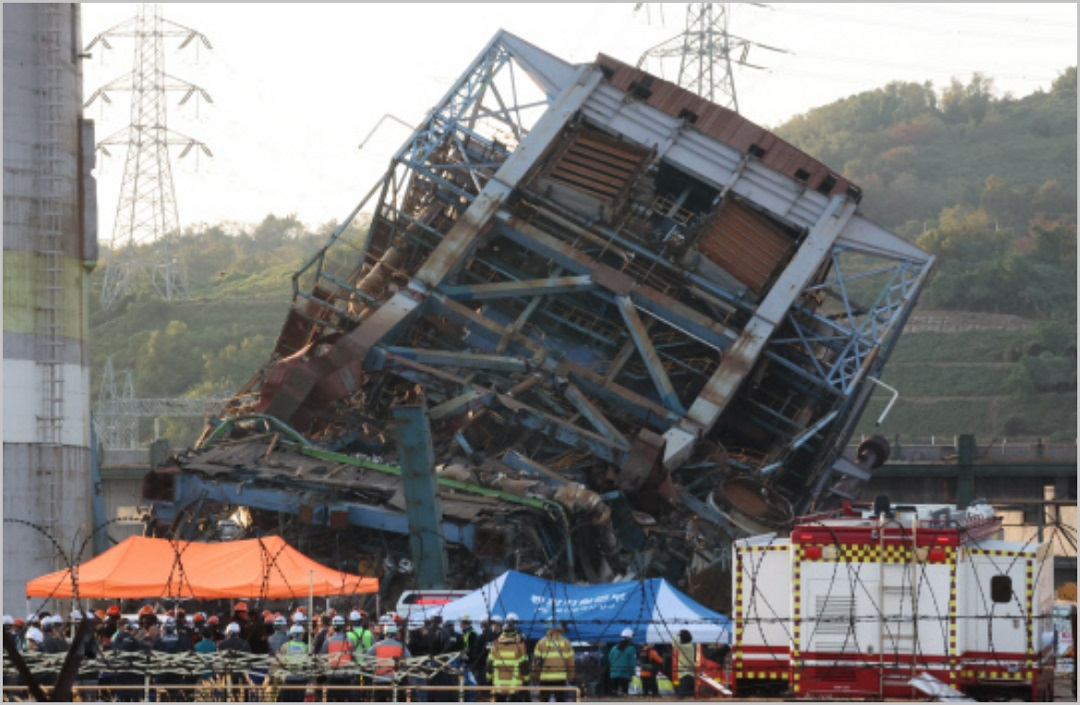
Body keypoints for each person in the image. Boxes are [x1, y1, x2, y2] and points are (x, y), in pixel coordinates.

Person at [531, 620, 576, 702]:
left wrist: (536, 676)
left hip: (545, 679)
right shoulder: (566, 643)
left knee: (544, 700)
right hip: (561, 678)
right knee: (560, 700)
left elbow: (536, 663)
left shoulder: (540, 643)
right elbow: (571, 663)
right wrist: (570, 677)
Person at [366, 622, 411, 702]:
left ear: (385, 633)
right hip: (396, 679)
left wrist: (374, 666)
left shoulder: (377, 645)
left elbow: (367, 657)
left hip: (380, 679)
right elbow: (410, 659)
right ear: (396, 633)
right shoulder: (401, 646)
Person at [487, 617, 529, 702]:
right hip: (515, 686)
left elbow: (489, 665)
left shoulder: (495, 646)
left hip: (498, 686)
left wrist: (489, 678)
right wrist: (526, 680)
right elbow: (524, 667)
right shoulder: (520, 647)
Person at [320, 614, 357, 701]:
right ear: (343, 626)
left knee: (331, 699)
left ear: (333, 627)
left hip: (332, 675)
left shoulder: (328, 641)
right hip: (346, 676)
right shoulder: (349, 641)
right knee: (344, 698)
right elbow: (354, 657)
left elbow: (322, 657)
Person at [277, 624, 310, 702]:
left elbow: (280, 663)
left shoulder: (285, 646)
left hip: (288, 679)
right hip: (300, 680)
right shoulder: (306, 647)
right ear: (301, 634)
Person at [606, 629, 637, 697]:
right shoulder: (631, 649)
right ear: (630, 638)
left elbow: (610, 659)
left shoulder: (613, 648)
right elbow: (632, 662)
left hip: (614, 673)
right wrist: (632, 673)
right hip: (625, 673)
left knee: (614, 692)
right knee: (624, 693)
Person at [672, 629, 696, 698]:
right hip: (688, 672)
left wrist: (676, 635)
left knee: (683, 694)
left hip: (685, 673)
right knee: (688, 693)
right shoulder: (690, 646)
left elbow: (675, 644)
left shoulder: (686, 647)